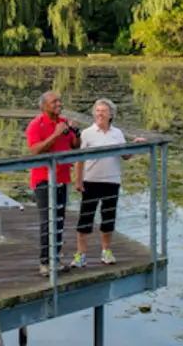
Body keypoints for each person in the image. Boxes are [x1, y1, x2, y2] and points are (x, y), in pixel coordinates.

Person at [72, 98, 145, 267]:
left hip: (112, 181)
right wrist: (78, 180)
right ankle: (81, 254)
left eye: (103, 111)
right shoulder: (87, 133)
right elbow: (79, 160)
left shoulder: (117, 134)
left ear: (111, 115)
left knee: (108, 218)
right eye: (97, 111)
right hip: (91, 181)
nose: (99, 114)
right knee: (85, 218)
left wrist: (133, 146)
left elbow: (125, 156)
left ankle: (106, 251)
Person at [24, 90, 80, 276]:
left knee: (59, 219)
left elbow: (75, 146)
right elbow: (35, 150)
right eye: (54, 102)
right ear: (44, 106)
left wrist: (75, 132)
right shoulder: (35, 125)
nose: (59, 104)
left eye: (59, 101)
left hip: (63, 178)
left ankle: (56, 258)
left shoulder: (63, 122)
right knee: (47, 221)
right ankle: (44, 262)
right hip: (44, 180)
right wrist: (55, 134)